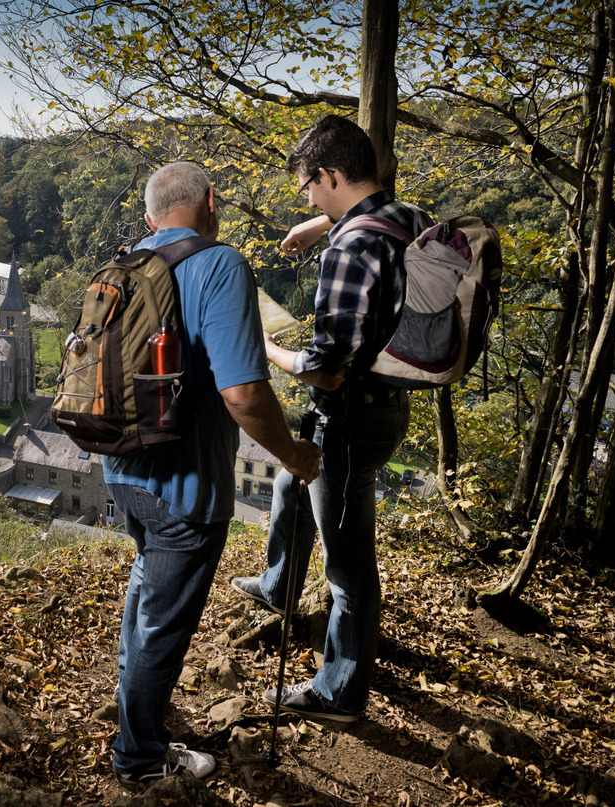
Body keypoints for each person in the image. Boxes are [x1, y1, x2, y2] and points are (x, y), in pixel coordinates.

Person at [106, 162, 322, 788]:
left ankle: (137, 714)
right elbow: (246, 395)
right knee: (163, 628)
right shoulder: (220, 264)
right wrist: (295, 456)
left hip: (121, 470)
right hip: (186, 487)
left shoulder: (126, 266)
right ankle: (140, 758)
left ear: (149, 219)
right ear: (209, 202)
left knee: (146, 600)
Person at [231, 115, 430, 723]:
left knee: (348, 567)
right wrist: (317, 223)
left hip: (349, 416)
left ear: (331, 174)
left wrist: (265, 346)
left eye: (309, 187)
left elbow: (325, 369)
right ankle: (278, 585)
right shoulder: (412, 220)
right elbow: (373, 220)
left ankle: (339, 692)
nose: (307, 197)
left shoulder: (350, 249)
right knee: (294, 478)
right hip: (381, 408)